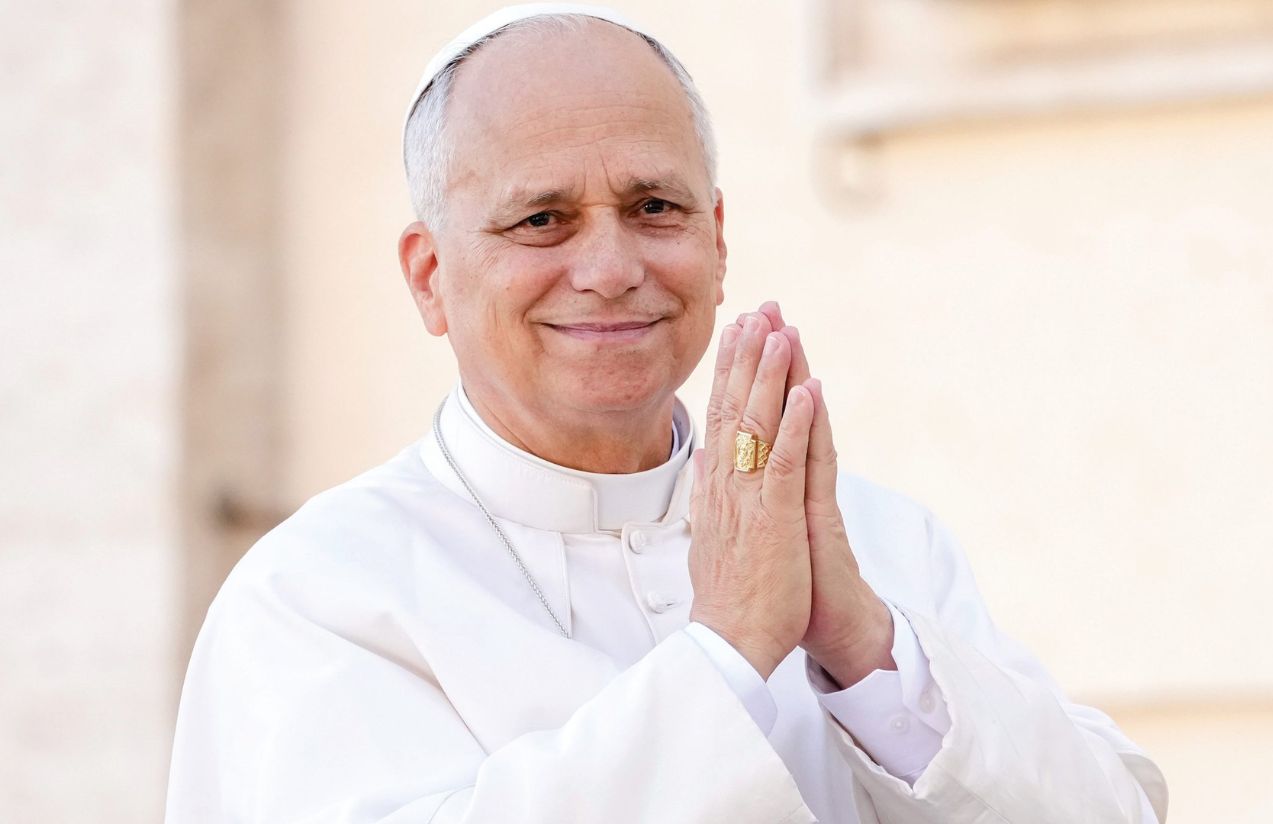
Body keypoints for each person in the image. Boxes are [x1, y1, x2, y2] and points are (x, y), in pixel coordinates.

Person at [165, 5, 1168, 822]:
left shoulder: (872, 543)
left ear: (718, 238)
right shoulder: (318, 595)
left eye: (654, 207)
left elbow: (1117, 809)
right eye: (541, 219)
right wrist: (726, 647)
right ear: (430, 277)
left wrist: (864, 647)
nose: (609, 268)